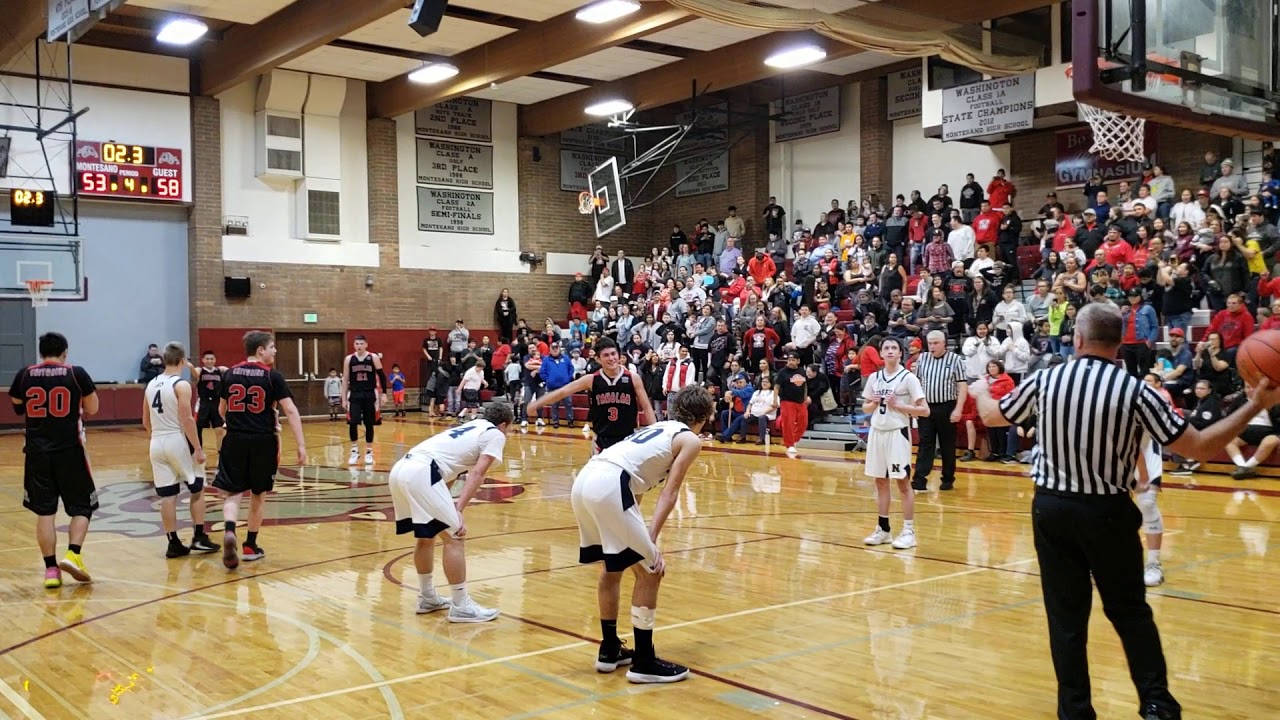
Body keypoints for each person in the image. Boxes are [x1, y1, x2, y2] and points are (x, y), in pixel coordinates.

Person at [973, 301, 1280, 720]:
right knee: (1131, 612)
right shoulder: (1137, 390)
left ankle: (1076, 712)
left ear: (1078, 338)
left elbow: (991, 417)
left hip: (1052, 510)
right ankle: (1157, 705)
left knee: (1066, 621)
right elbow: (1200, 446)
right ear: (1120, 344)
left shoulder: (1046, 380)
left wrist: (976, 390)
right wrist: (1255, 405)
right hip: (1107, 513)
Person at [570, 384, 715, 684]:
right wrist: (650, 541)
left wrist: (638, 539)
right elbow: (669, 494)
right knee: (650, 571)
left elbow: (636, 485)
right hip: (610, 484)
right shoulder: (690, 439)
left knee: (614, 566)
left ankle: (610, 649)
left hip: (585, 480)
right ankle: (644, 661)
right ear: (706, 415)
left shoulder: (660, 427)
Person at [389, 402, 514, 623]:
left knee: (426, 535)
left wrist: (447, 505)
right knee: (455, 536)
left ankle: (427, 597)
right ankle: (461, 605)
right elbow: (478, 473)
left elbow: (453, 471)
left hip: (401, 469)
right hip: (422, 472)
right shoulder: (495, 434)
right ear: (503, 424)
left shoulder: (470, 427)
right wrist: (457, 510)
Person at [8, 332, 99, 588]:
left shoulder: (25, 374)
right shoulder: (75, 373)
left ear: (40, 352)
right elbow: (92, 409)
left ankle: (50, 571)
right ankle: (73, 554)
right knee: (83, 506)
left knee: (45, 512)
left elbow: (17, 404)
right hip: (70, 451)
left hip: (37, 453)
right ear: (65, 352)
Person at [213, 331, 308, 569]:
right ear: (260, 351)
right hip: (263, 441)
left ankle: (229, 529)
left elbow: (221, 411)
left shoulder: (230, 373)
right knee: (258, 495)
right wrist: (301, 445)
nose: (275, 351)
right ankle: (250, 546)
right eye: (272, 347)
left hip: (234, 439)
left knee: (233, 492)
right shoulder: (272, 376)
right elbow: (291, 410)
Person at [143, 342, 217, 558]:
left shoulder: (151, 384)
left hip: (156, 441)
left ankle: (173, 542)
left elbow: (145, 420)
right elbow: (186, 418)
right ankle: (199, 537)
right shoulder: (181, 385)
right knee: (198, 488)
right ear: (183, 361)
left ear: (164, 360)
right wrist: (198, 448)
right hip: (177, 439)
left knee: (168, 495)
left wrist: (158, 437)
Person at [528, 337, 656, 453]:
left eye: (613, 354)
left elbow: (647, 407)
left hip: (628, 440)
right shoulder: (591, 379)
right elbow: (562, 392)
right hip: (601, 441)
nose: (611, 358)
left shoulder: (632, 378)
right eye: (606, 355)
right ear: (598, 359)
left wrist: (656, 434)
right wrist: (536, 404)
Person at [861, 337, 928, 549]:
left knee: (902, 482)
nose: (890, 351)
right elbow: (865, 407)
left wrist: (898, 405)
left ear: (901, 353)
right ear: (880, 353)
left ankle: (909, 531)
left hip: (897, 433)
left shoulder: (909, 378)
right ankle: (883, 529)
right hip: (877, 432)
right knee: (880, 482)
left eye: (894, 348)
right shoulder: (874, 377)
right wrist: (873, 403)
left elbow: (924, 410)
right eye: (886, 348)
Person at [911, 331, 968, 491]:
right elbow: (917, 383)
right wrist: (915, 405)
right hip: (926, 407)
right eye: (930, 343)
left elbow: (962, 386)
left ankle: (948, 478)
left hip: (947, 407)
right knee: (925, 444)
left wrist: (958, 409)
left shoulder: (956, 360)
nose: (932, 346)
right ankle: (919, 480)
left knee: (947, 445)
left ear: (944, 343)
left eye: (936, 343)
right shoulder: (922, 358)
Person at [342, 336, 388, 466]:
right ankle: (354, 451)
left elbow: (382, 377)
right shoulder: (349, 359)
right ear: (354, 345)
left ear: (366, 344)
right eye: (357, 343)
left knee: (369, 423)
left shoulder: (373, 357)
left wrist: (384, 394)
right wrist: (343, 398)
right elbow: (345, 379)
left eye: (361, 343)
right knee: (352, 422)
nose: (359, 346)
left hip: (369, 394)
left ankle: (369, 452)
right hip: (355, 394)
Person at [190, 351, 228, 467]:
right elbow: (195, 374)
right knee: (198, 429)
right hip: (203, 403)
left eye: (212, 359)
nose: (210, 361)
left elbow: (231, 371)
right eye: (207, 359)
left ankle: (221, 454)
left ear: (215, 360)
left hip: (216, 403)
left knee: (219, 430)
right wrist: (191, 367)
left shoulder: (220, 371)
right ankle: (198, 452)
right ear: (203, 360)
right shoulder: (200, 371)